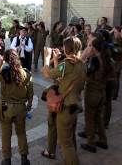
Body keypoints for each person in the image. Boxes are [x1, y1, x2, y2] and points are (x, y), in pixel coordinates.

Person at [42, 36, 86, 165]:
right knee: (70, 138)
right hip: (75, 104)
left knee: (65, 142)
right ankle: (69, 160)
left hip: (65, 108)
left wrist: (47, 57)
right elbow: (64, 79)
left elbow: (47, 74)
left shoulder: (66, 65)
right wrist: (56, 60)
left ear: (66, 49)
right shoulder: (82, 64)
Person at [0, 49, 33, 165]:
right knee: (21, 133)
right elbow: (30, 91)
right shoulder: (26, 72)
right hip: (21, 108)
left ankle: (7, 159)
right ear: (18, 58)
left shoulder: (5, 72)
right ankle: (24, 158)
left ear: (6, 59)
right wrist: (29, 104)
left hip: (6, 109)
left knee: (6, 135)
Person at [78, 34, 110, 153]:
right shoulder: (106, 57)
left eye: (91, 45)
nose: (89, 47)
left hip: (93, 92)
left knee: (89, 118)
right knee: (98, 117)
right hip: (102, 91)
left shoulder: (95, 59)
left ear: (94, 48)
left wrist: (84, 58)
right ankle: (103, 140)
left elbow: (85, 72)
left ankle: (90, 143)